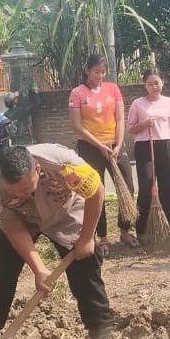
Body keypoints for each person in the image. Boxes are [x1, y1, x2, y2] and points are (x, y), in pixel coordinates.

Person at [0, 143, 121, 339]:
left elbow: (96, 190)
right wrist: (39, 269)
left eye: (28, 188)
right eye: (15, 192)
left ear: (38, 170)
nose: (23, 195)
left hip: (65, 213)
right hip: (22, 219)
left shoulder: (65, 165)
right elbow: (14, 229)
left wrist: (87, 238)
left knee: (87, 273)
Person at [68, 53, 138, 255]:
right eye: (96, 71)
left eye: (103, 71)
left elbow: (121, 120)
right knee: (95, 192)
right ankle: (102, 237)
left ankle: (125, 231)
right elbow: (77, 126)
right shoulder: (77, 93)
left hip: (114, 146)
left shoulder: (113, 89)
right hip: (90, 148)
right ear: (87, 70)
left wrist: (118, 145)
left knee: (127, 187)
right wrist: (99, 145)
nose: (100, 75)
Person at [127, 67, 170, 237]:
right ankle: (142, 229)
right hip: (144, 146)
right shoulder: (138, 103)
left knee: (168, 186)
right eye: (150, 84)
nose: (154, 87)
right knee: (146, 186)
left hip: (165, 145)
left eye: (156, 83)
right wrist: (143, 124)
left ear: (162, 82)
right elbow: (130, 129)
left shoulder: (169, 103)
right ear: (145, 85)